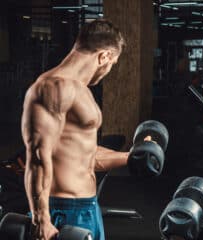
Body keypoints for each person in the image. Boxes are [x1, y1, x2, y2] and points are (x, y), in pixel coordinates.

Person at [21, 19, 127, 240]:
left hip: (87, 207)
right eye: (112, 63)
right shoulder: (52, 88)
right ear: (104, 56)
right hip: (62, 210)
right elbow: (38, 157)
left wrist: (131, 156)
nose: (108, 70)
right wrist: (42, 219)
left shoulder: (81, 90)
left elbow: (84, 154)